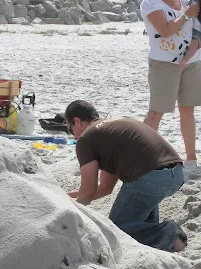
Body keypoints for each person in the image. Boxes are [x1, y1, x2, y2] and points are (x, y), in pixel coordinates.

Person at [65, 100, 186, 253]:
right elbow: (105, 188)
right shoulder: (110, 129)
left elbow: (88, 192)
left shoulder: (86, 139)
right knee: (138, 227)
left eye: (70, 130)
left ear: (77, 121)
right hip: (175, 174)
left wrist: (70, 208)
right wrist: (67, 196)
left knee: (116, 231)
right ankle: (159, 241)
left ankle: (170, 234)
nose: (74, 136)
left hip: (149, 176)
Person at [140, 0, 201, 172]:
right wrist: (186, 15)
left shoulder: (184, 0)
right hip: (165, 64)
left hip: (191, 62)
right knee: (156, 112)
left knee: (188, 111)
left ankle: (191, 161)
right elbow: (165, 30)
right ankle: (144, 158)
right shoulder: (150, 2)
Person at [179, 0, 201, 67]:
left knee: (195, 42)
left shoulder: (198, 2)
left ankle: (186, 59)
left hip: (198, 29)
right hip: (192, 26)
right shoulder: (192, 0)